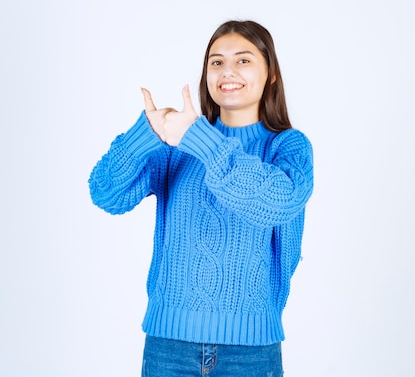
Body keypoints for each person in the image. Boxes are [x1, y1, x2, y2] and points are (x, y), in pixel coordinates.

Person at [88, 20, 314, 376]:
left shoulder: (287, 146)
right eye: (216, 62)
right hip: (169, 347)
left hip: (250, 352)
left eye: (243, 61)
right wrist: (146, 134)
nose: (227, 72)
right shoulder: (177, 145)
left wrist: (199, 139)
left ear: (270, 73)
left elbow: (278, 202)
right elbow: (106, 193)